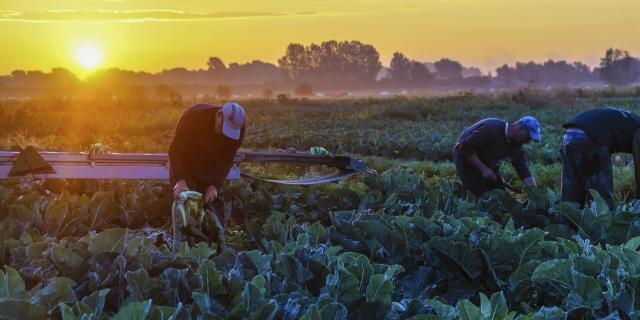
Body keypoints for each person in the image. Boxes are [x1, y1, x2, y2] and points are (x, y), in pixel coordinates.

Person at [169, 102, 246, 220]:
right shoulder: (193, 116)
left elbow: (226, 159)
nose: (225, 133)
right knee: (186, 213)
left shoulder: (239, 127)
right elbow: (175, 150)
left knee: (215, 216)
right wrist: (180, 179)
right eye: (224, 128)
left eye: (230, 131)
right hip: (186, 167)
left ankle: (215, 237)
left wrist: (215, 184)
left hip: (212, 169)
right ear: (219, 115)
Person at [561, 107, 640, 208]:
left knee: (570, 190)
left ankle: (567, 222)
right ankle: (601, 223)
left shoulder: (633, 121)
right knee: (601, 197)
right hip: (593, 138)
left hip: (569, 136)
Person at [453, 116, 541, 197]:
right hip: (464, 157)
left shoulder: (517, 144)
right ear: (520, 129)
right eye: (528, 138)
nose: (528, 142)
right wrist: (483, 169)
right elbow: (465, 147)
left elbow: (522, 168)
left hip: (487, 159)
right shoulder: (491, 128)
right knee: (478, 196)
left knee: (501, 195)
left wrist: (534, 193)